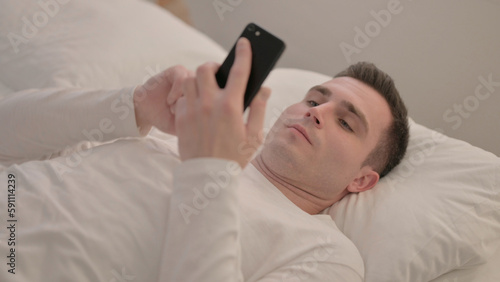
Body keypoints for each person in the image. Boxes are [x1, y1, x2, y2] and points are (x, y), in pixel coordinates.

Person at [0, 38, 408, 281]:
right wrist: (132, 106)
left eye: (346, 123)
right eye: (315, 99)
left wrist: (210, 171)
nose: (315, 112)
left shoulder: (328, 256)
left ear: (362, 180)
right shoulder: (173, 131)